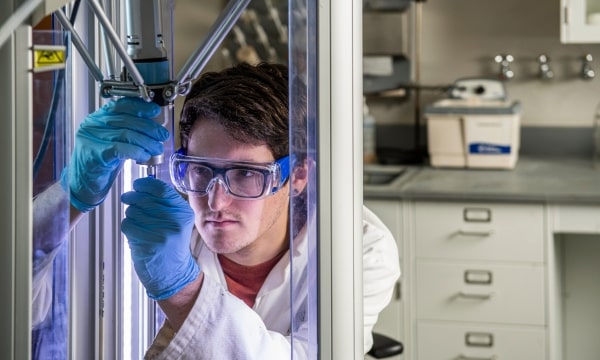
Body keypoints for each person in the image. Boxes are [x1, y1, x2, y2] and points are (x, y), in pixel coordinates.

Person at [56, 62, 400, 358]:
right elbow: (28, 300)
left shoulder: (361, 248)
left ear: (297, 176)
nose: (216, 202)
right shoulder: (153, 225)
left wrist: (182, 290)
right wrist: (70, 200)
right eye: (201, 169)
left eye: (246, 174)